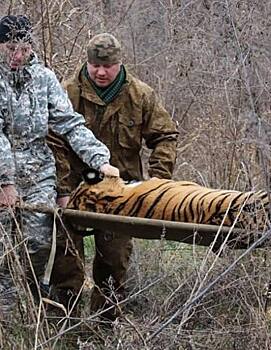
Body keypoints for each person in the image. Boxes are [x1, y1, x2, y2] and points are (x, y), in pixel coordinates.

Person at [49, 32, 178, 319]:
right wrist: (62, 189)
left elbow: (165, 136)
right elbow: (54, 141)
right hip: (74, 192)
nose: (101, 71)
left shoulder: (139, 94)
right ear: (87, 62)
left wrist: (158, 185)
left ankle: (104, 327)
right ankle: (63, 326)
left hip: (122, 194)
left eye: (108, 65)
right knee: (66, 264)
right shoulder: (68, 91)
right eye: (95, 65)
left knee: (114, 264)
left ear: (120, 63)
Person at [0, 15, 119, 311]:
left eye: (24, 49)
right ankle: (5, 305)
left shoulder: (44, 78)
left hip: (38, 169)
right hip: (4, 168)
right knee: (3, 246)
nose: (17, 56)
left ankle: (26, 302)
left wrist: (100, 159)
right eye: (11, 48)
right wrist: (5, 181)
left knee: (38, 243)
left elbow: (70, 123)